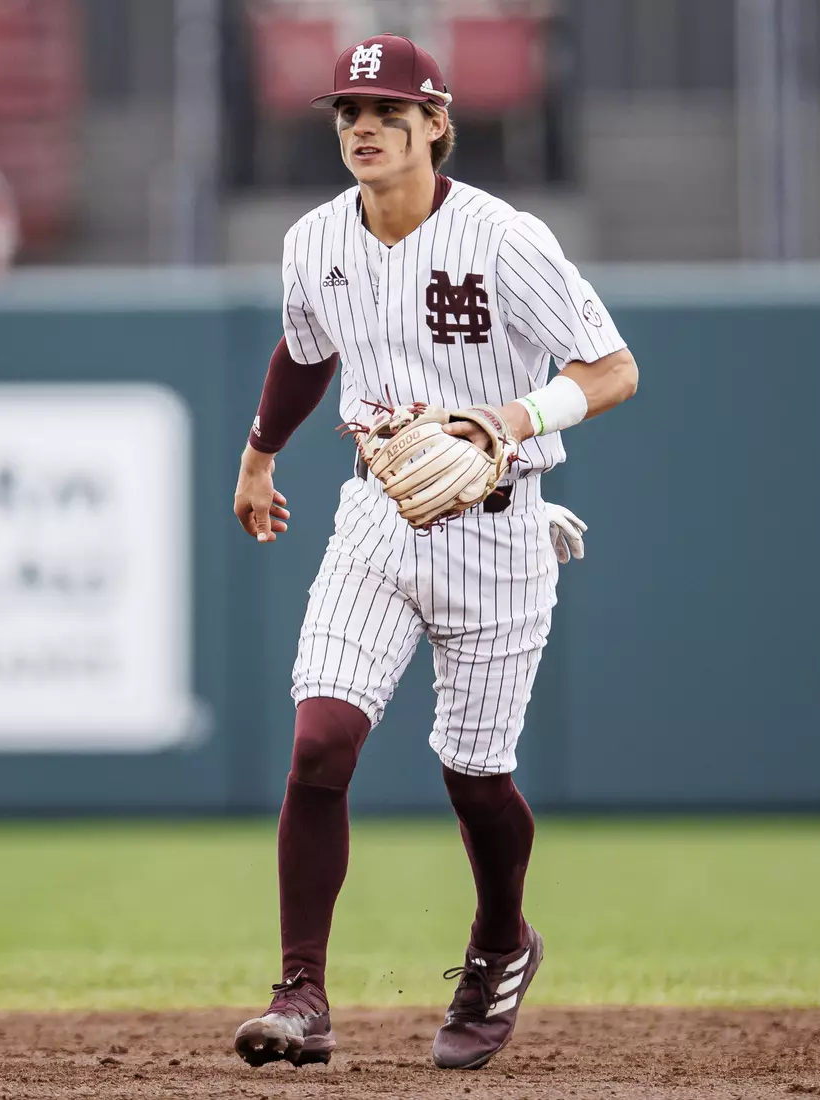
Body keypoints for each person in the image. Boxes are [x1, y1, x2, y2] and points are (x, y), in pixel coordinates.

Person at [230, 33, 637, 1072]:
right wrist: (259, 455)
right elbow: (304, 348)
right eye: (349, 114)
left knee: (474, 774)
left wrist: (510, 415)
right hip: (374, 515)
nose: (363, 129)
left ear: (436, 125)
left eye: (388, 114)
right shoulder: (315, 240)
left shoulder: (505, 239)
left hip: (499, 529)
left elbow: (612, 367)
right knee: (320, 740)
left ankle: (503, 938)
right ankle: (300, 993)